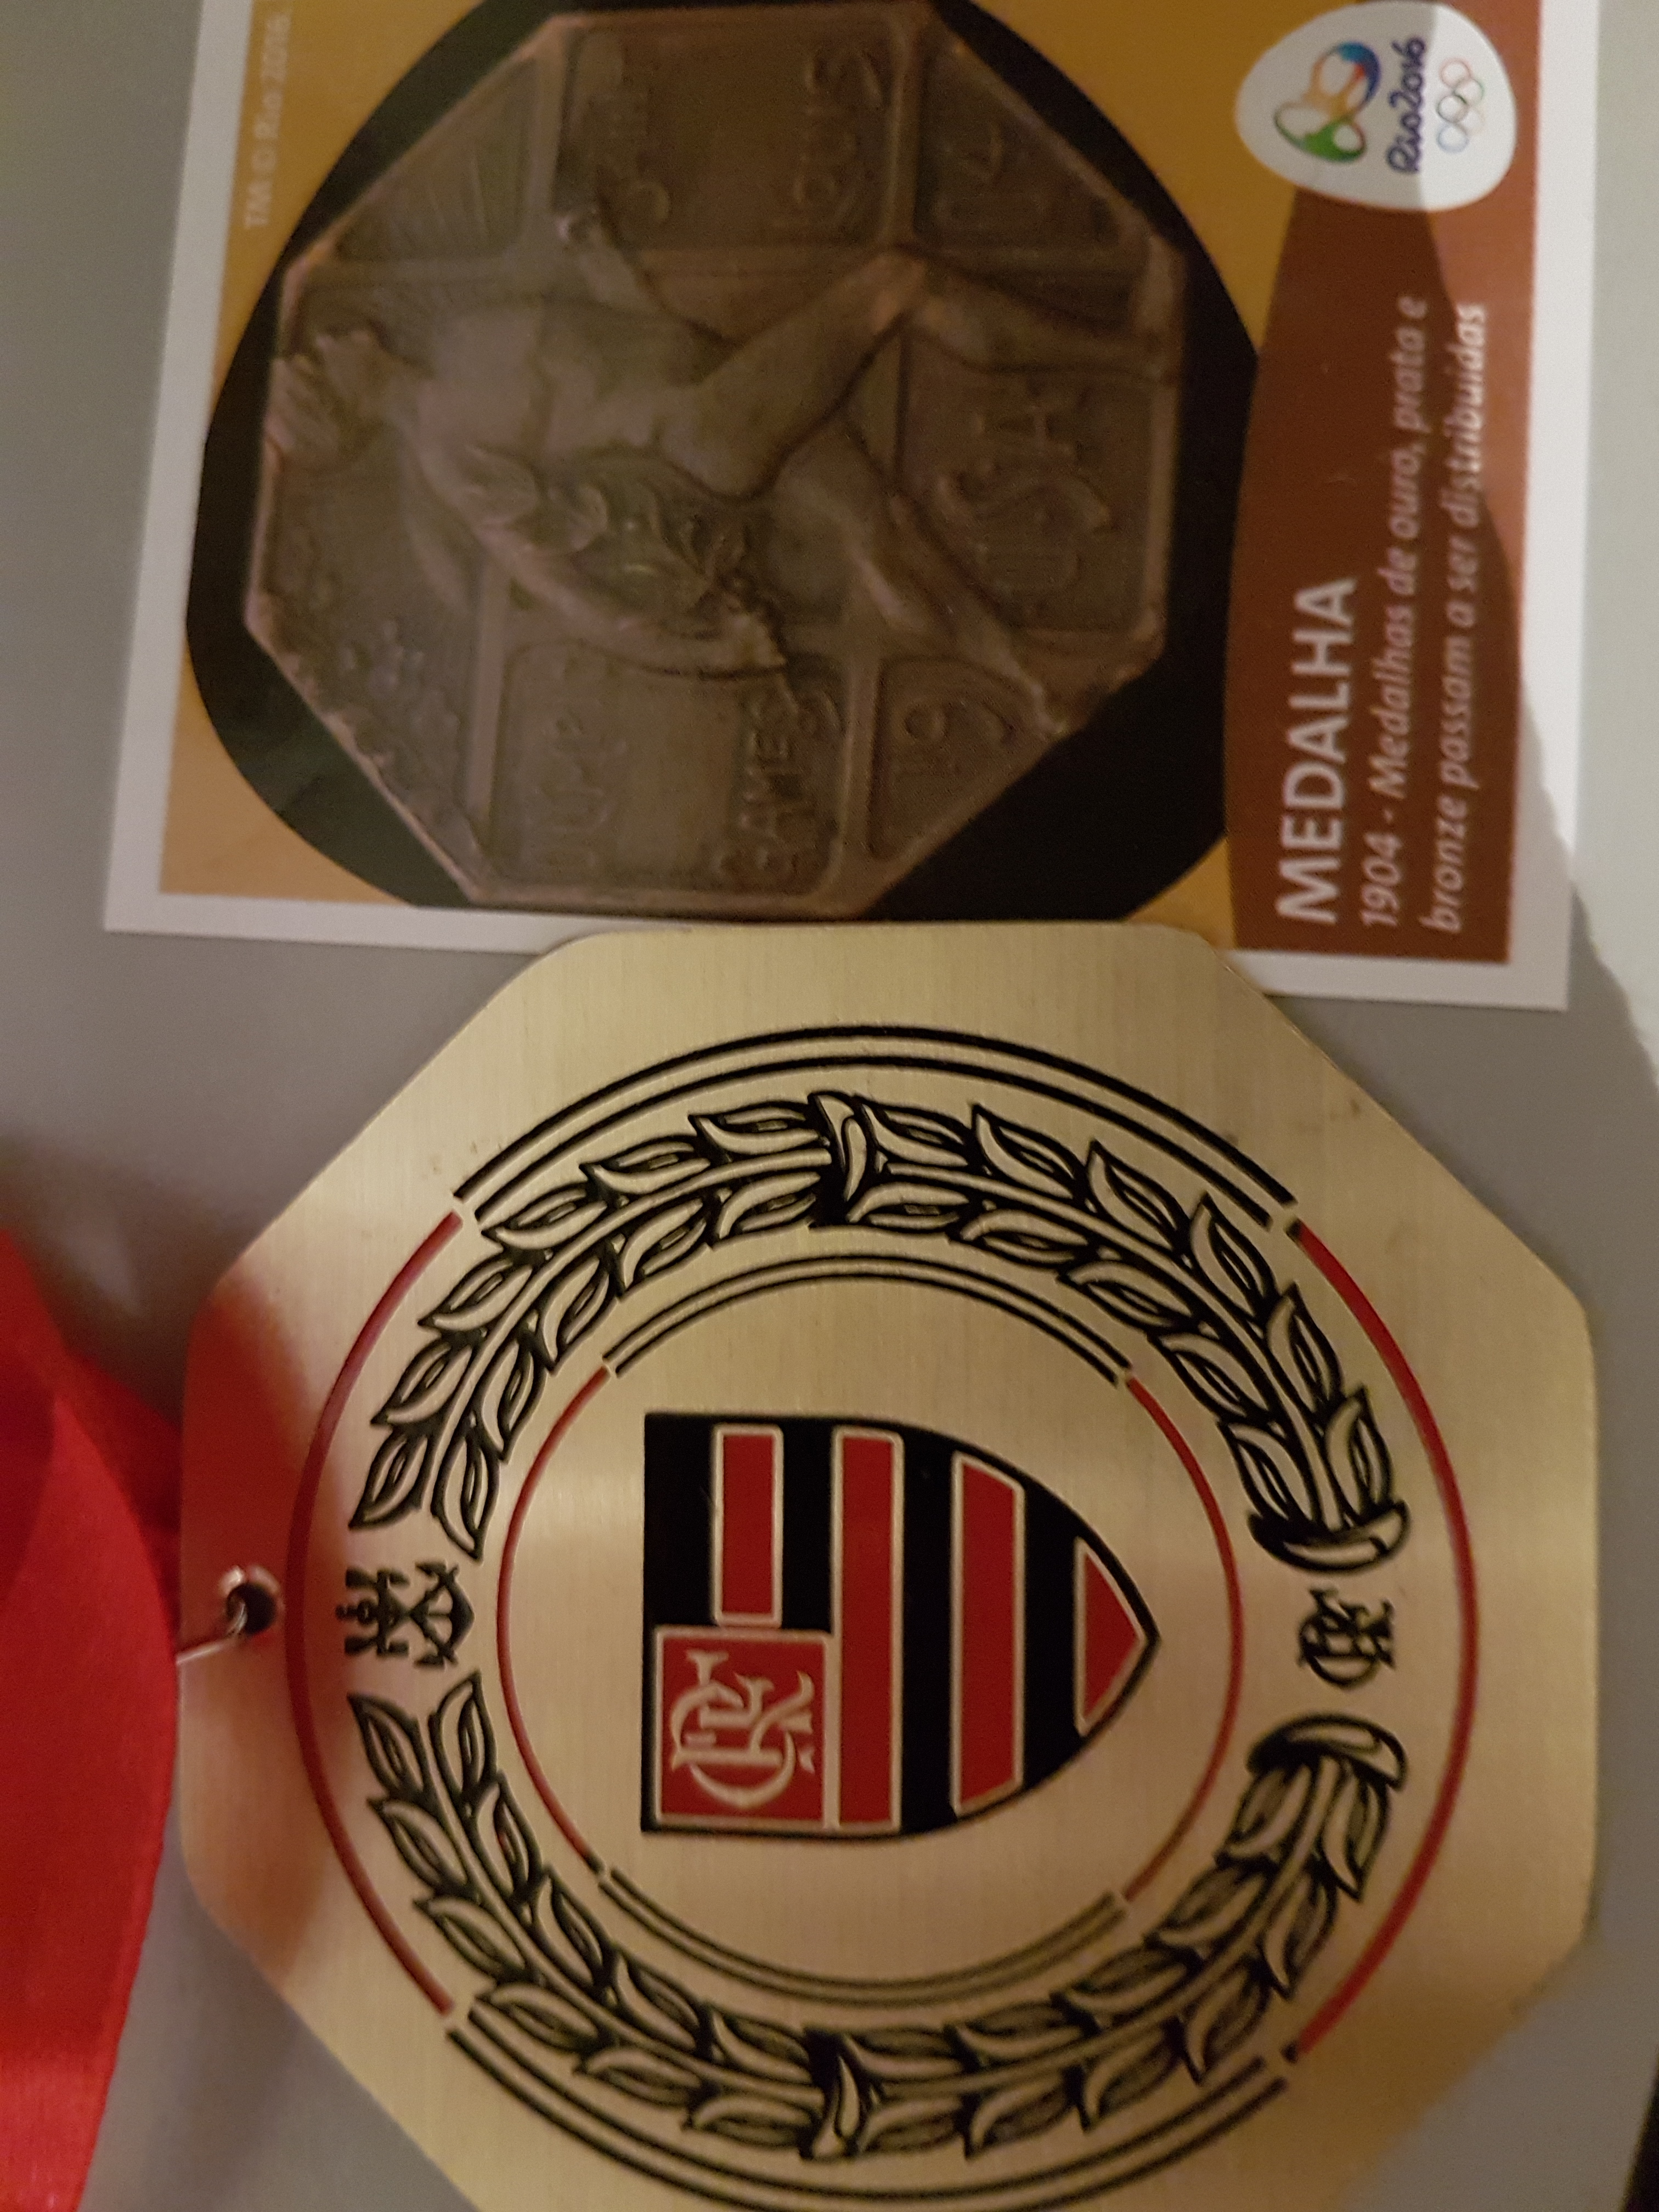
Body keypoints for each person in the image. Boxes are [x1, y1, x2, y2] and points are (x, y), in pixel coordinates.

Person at [268, 215, 1165, 726]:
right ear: (337, 405)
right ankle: (1135, 354)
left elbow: (620, 344)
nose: (330, 341)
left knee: (878, 530)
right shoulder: (451, 454)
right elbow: (569, 594)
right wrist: (711, 655)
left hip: (715, 383)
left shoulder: (459, 345)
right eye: (316, 366)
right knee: (899, 285)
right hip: (715, 423)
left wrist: (602, 260)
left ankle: (1032, 679)